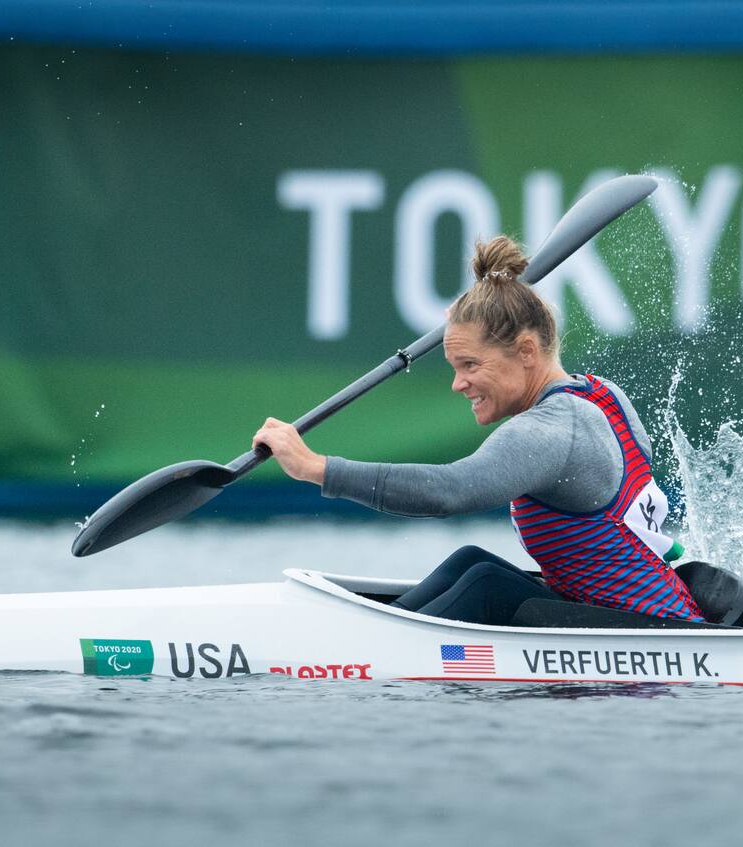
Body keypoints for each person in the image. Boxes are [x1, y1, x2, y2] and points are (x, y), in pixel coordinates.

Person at [252, 236, 704, 626]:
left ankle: (349, 652)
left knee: (485, 585)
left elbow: (450, 490)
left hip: (649, 643)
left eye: (470, 365)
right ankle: (356, 637)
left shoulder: (549, 432)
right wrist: (482, 317)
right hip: (650, 610)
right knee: (472, 564)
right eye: (455, 365)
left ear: (527, 351)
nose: (458, 383)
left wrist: (316, 468)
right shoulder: (602, 395)